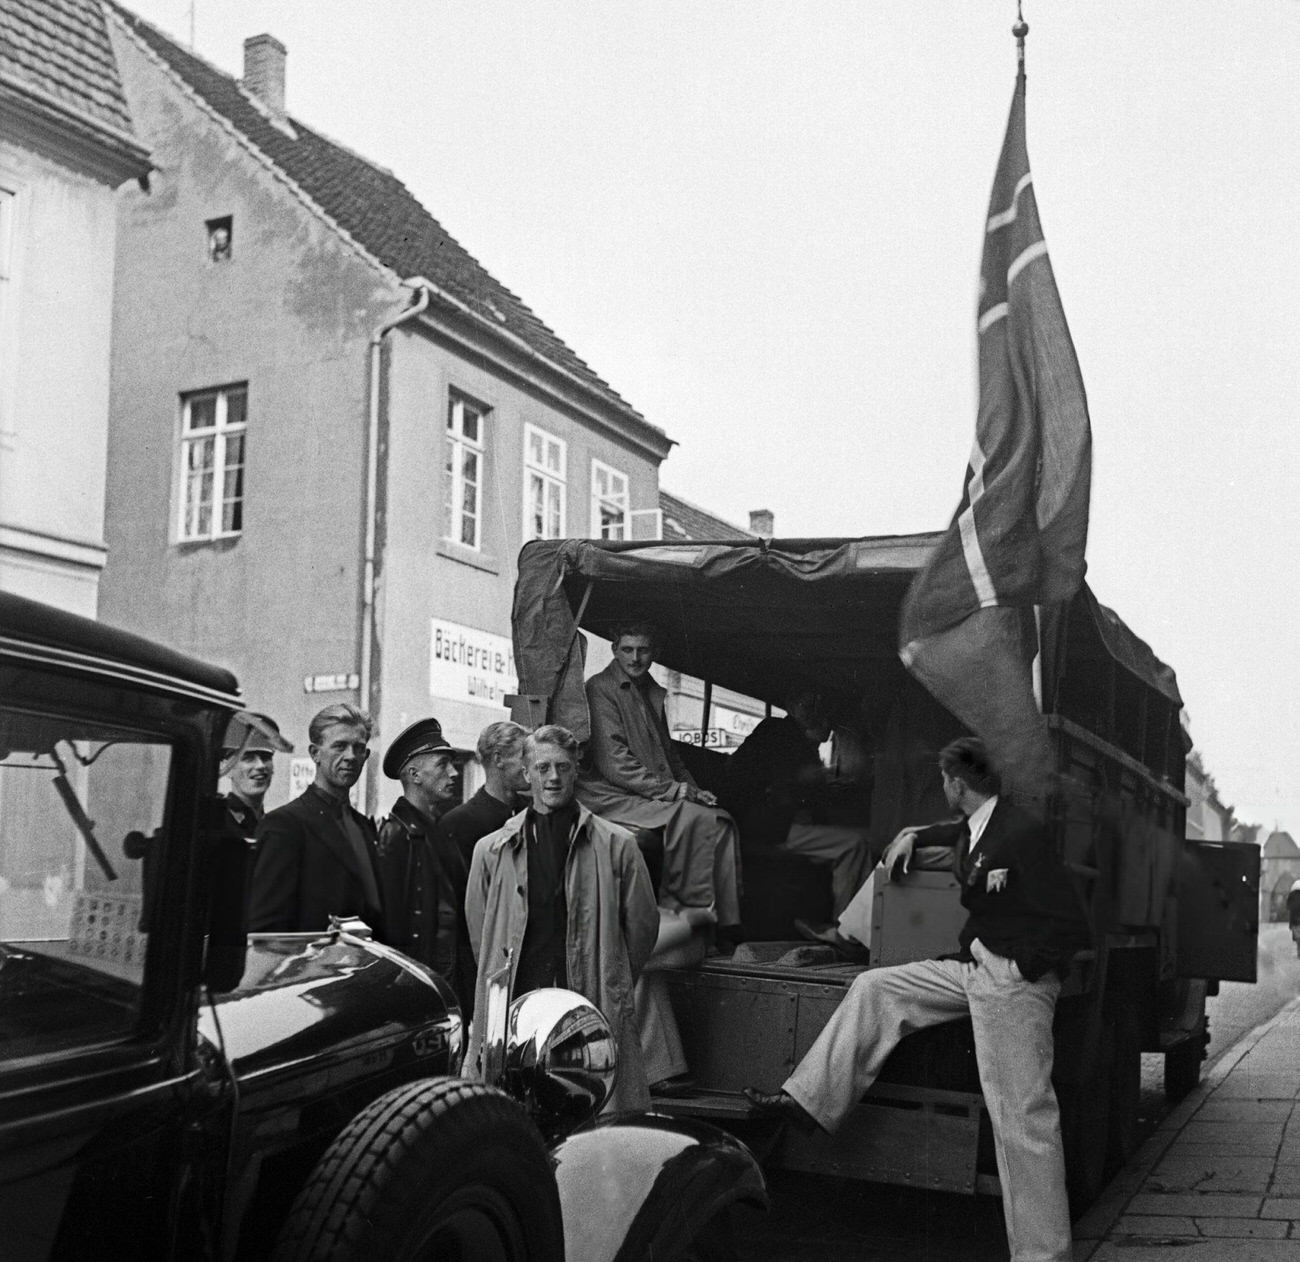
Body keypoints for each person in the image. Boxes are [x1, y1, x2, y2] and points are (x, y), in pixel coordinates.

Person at [744, 737, 1085, 1262]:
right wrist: (914, 833)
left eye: (944, 782)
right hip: (974, 969)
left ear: (955, 783)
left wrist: (1020, 967)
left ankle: (1044, 1257)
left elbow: (1071, 922)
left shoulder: (1022, 834)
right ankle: (809, 1100)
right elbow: (961, 833)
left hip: (1012, 982)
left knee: (1022, 1120)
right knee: (876, 986)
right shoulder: (982, 824)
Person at [465, 724, 660, 1112]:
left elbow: (642, 928)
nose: (553, 777)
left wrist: (611, 976)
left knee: (594, 1110)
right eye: (542, 768)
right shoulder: (492, 850)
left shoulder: (617, 845)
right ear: (526, 773)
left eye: (563, 767)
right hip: (517, 1003)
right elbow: (480, 931)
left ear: (576, 771)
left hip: (589, 998)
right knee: (510, 1111)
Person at [577, 622, 742, 939]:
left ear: (655, 653)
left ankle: (722, 922)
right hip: (612, 796)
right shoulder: (601, 688)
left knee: (722, 820)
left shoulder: (647, 690)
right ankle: (685, 922)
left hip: (644, 795)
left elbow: (671, 756)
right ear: (614, 650)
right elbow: (616, 765)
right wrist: (676, 791)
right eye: (627, 649)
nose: (635, 658)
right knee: (704, 822)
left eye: (643, 650)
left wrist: (692, 788)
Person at [723, 687, 872, 920]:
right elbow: (793, 779)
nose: (814, 712)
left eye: (816, 705)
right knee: (855, 845)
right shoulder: (779, 731)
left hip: (768, 825)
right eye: (807, 705)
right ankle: (846, 929)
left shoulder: (790, 736)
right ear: (790, 706)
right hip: (773, 827)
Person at [248, 703, 383, 934]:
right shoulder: (285, 825)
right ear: (315, 753)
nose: (350, 756)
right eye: (339, 746)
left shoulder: (363, 827)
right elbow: (267, 931)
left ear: (366, 755)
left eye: (358, 748)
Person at [373, 717, 476, 1014]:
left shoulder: (437, 832)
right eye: (443, 764)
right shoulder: (395, 838)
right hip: (419, 1000)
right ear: (415, 774)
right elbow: (392, 938)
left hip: (446, 992)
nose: (454, 773)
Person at [436, 721, 530, 866]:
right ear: (498, 759)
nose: (531, 765)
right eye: (524, 757)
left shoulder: (535, 811)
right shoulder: (456, 824)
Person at [220, 710, 293, 837]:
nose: (260, 765)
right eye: (248, 758)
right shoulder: (218, 821)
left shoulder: (274, 825)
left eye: (266, 757)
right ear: (227, 768)